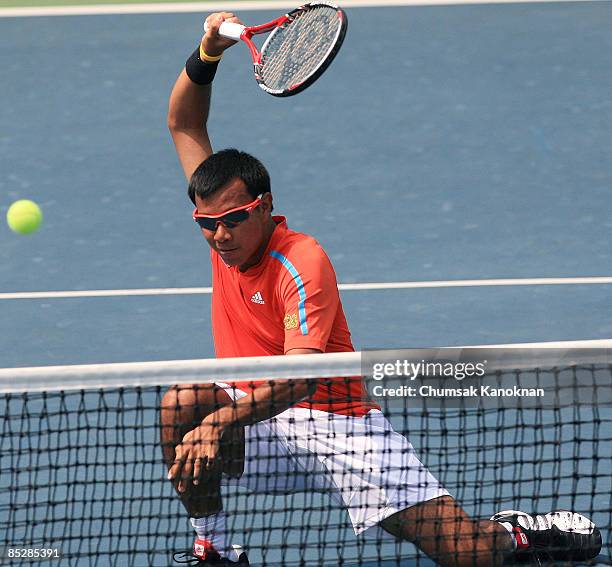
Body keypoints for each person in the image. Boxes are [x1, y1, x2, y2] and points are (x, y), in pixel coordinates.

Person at [160, 12, 602, 567]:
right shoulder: (223, 235)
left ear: (265, 207)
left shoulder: (301, 261)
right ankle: (215, 549)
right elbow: (184, 125)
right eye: (207, 224)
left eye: (233, 219)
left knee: (468, 555)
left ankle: (513, 534)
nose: (220, 236)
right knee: (183, 401)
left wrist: (222, 421)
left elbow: (301, 379)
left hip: (339, 424)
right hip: (260, 423)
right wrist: (207, 52)